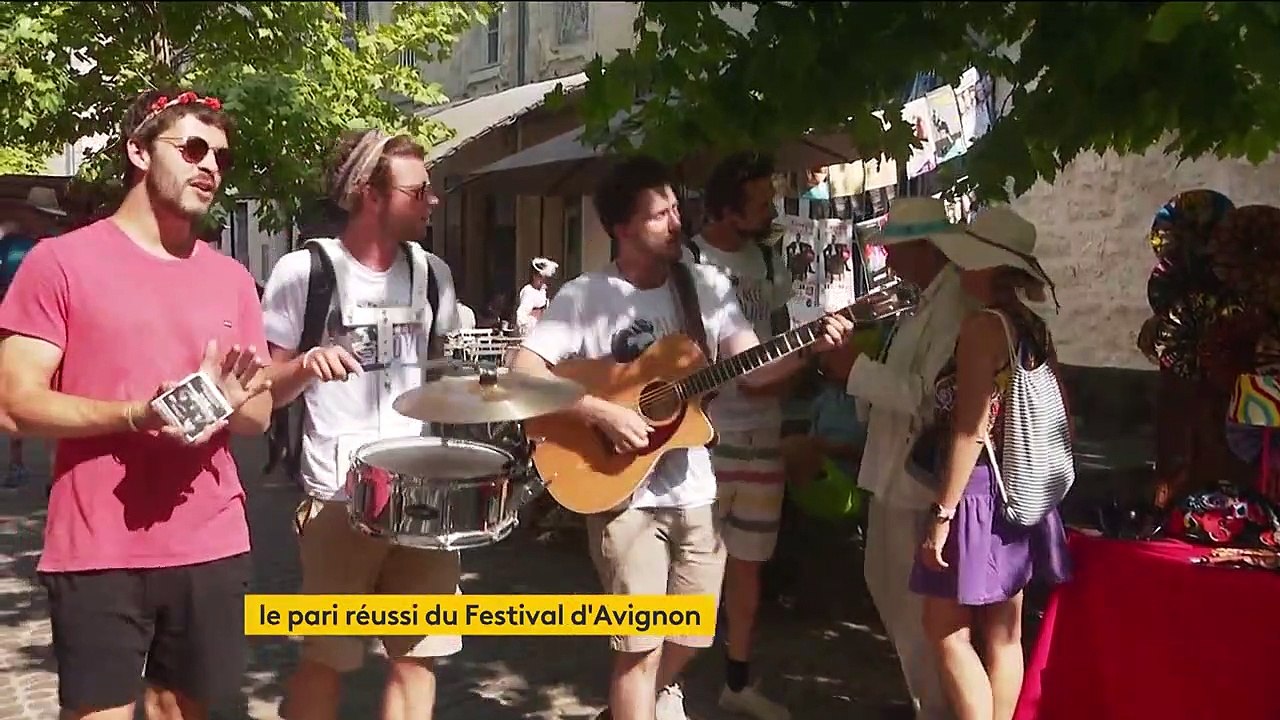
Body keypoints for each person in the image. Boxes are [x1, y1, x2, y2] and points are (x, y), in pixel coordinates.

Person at [510, 156, 853, 720]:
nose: (677, 223)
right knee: (638, 651)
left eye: (677, 209)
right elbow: (523, 369)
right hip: (621, 494)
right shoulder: (587, 295)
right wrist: (601, 412)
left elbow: (755, 369)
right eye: (660, 215)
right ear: (622, 229)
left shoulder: (706, 287)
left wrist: (812, 345)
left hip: (693, 490)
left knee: (692, 637)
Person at [0, 88, 272, 720]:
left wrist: (226, 401)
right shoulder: (60, 262)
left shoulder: (232, 278)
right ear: (139, 152)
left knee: (184, 711)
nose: (210, 167)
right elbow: (14, 404)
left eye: (221, 158)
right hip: (98, 546)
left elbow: (256, 418)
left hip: (211, 541)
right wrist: (135, 415)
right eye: (194, 148)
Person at [261, 127, 460, 720]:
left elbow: (446, 377)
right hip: (336, 501)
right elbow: (264, 391)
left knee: (417, 654)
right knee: (329, 656)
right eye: (419, 190)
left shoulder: (432, 275)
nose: (433, 201)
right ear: (370, 195)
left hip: (422, 498)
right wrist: (303, 364)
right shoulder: (306, 271)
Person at [909, 206, 1071, 720]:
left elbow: (969, 427)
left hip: (978, 489)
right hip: (1021, 487)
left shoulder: (982, 328)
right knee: (1004, 634)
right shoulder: (1031, 326)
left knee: (944, 630)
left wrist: (941, 516)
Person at [841, 197, 979, 720]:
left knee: (918, 607)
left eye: (895, 250)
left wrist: (852, 370)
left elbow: (931, 396)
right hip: (891, 474)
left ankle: (937, 708)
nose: (888, 260)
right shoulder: (925, 301)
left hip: (916, 480)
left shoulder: (955, 306)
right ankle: (929, 701)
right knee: (888, 588)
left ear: (925, 248)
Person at [679, 152, 794, 719]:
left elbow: (779, 334)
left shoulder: (770, 263)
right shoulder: (688, 261)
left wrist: (804, 362)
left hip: (763, 436)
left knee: (749, 564)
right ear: (728, 205)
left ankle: (738, 682)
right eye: (761, 200)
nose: (771, 208)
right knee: (694, 562)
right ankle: (661, 677)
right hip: (704, 436)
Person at [0, 186, 68, 488]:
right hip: (16, 323)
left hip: (46, 327)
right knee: (17, 394)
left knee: (47, 396)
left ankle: (53, 471)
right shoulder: (18, 244)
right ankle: (22, 464)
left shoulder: (52, 248)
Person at [515, 256, 558, 335]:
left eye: (545, 278)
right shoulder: (528, 291)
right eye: (540, 277)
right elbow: (521, 317)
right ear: (534, 276)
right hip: (532, 333)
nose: (543, 280)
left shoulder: (544, 291)